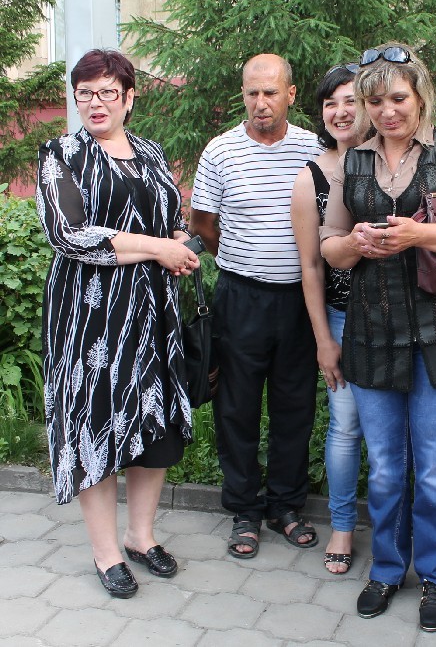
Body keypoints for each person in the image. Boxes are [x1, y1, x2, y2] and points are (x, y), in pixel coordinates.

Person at [320, 43, 436, 632]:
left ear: (420, 96)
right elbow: (329, 247)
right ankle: (388, 568)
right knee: (386, 467)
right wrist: (355, 245)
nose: (387, 111)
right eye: (375, 101)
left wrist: (417, 235)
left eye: (398, 98)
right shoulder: (353, 161)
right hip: (373, 331)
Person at [36, 49, 198, 598]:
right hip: (90, 317)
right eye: (85, 93)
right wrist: (156, 247)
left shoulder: (151, 152)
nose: (95, 103)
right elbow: (68, 234)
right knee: (95, 423)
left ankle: (140, 536)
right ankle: (106, 554)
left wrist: (180, 244)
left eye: (107, 92)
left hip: (153, 311)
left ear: (130, 98)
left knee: (155, 425)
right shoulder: (61, 154)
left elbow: (172, 219)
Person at [189, 54, 322, 559]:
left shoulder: (313, 148)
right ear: (242, 95)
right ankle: (244, 510)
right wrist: (243, 257)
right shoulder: (221, 151)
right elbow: (203, 222)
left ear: (291, 94)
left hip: (300, 300)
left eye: (270, 92)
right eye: (252, 93)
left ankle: (286, 505)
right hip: (240, 298)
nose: (261, 103)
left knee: (295, 406)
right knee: (237, 408)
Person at [290, 63, 363, 574]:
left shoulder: (397, 162)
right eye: (330, 103)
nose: (340, 111)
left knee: (399, 432)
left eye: (351, 100)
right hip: (341, 316)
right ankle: (342, 526)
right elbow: (311, 267)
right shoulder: (311, 177)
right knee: (345, 425)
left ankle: (398, 526)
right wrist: (323, 339)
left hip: (401, 317)